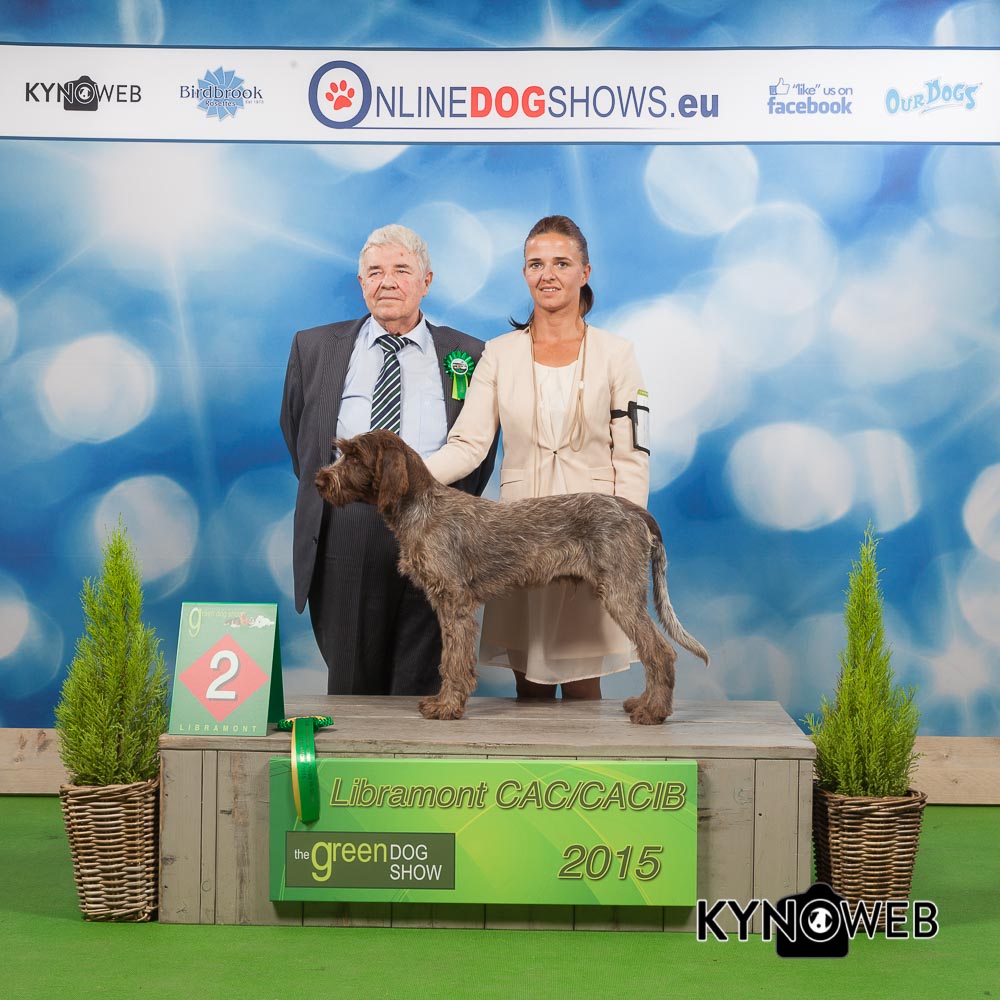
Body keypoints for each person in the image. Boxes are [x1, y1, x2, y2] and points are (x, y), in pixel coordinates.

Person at [425, 215, 650, 700]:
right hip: (519, 534)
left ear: (585, 272)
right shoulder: (499, 353)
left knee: (583, 680)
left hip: (592, 532)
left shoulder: (617, 353)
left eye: (561, 263)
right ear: (525, 273)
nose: (547, 274)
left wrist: (629, 532)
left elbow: (633, 452)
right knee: (527, 685)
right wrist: (408, 474)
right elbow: (468, 446)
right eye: (536, 264)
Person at [280, 224, 497, 695]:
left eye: (401, 269)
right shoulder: (313, 348)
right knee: (352, 683)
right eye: (375, 272)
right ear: (362, 283)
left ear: (426, 281)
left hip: (435, 526)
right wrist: (351, 489)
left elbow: (479, 451)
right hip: (347, 530)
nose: (387, 282)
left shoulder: (469, 353)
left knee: (426, 680)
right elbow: (301, 437)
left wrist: (431, 502)